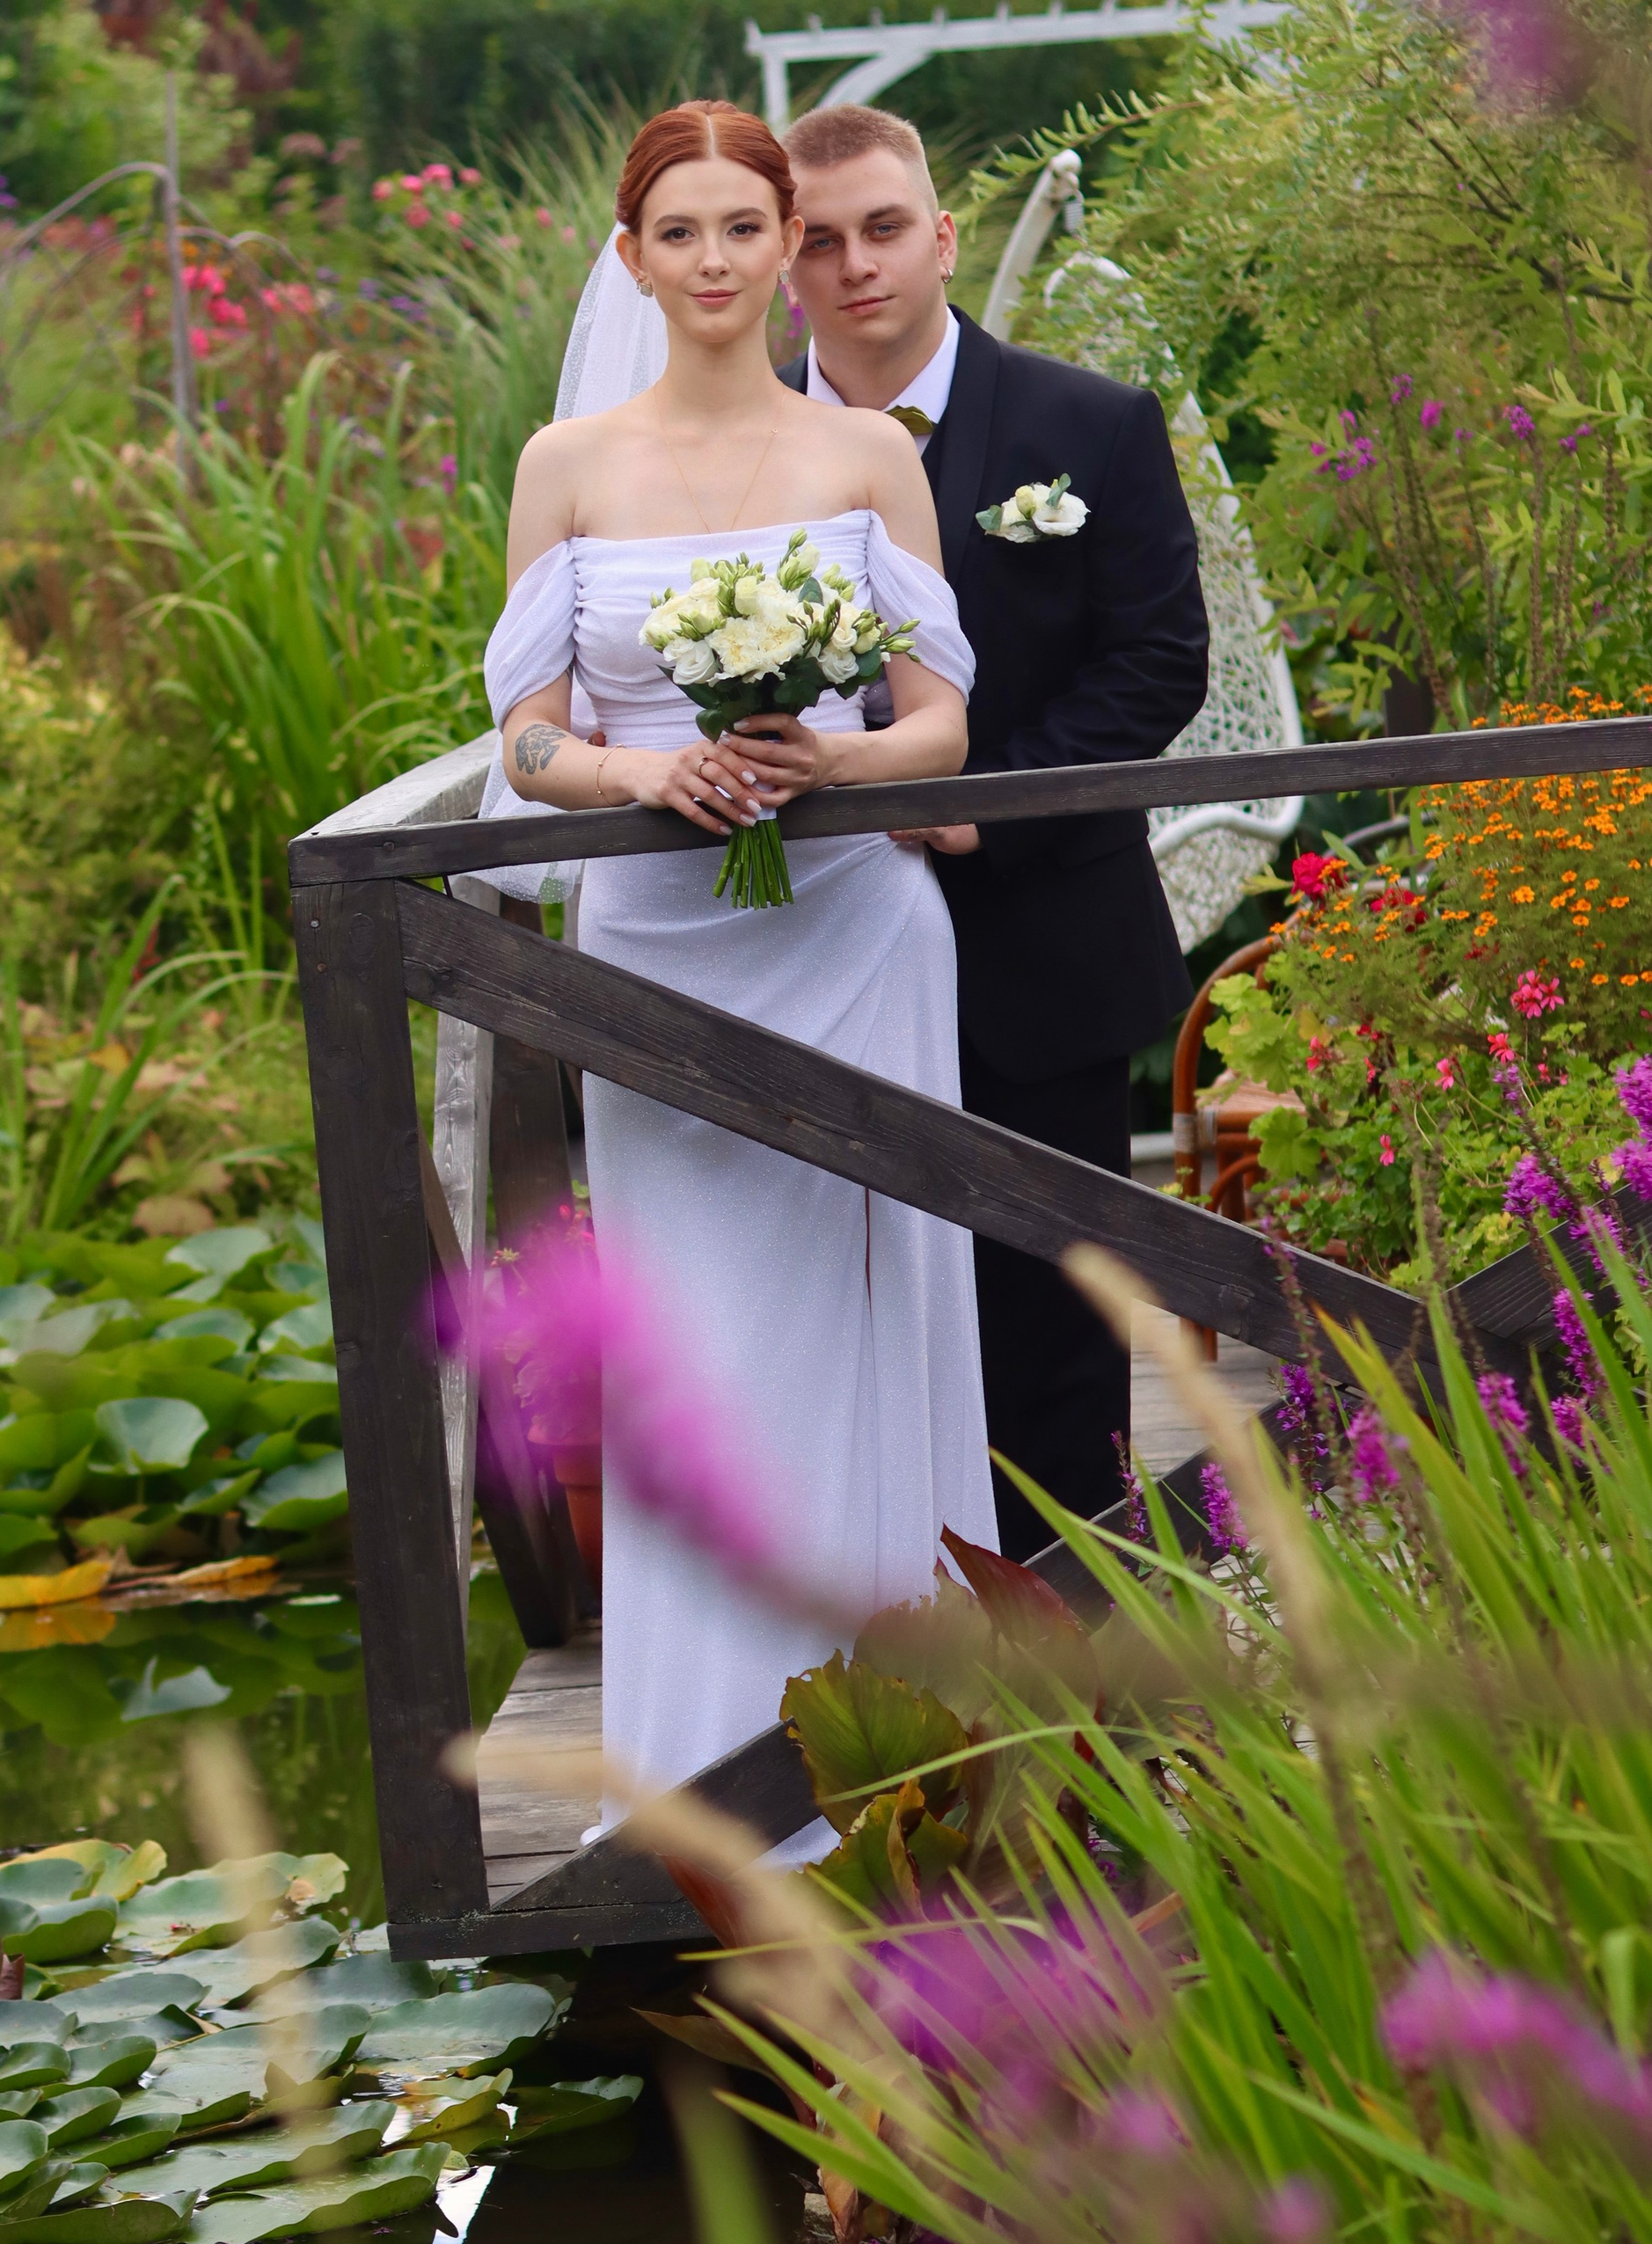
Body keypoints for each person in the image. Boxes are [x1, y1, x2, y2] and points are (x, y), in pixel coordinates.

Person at [476, 98, 998, 1843]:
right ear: (630, 257)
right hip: (654, 959)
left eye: (743, 228)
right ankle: (708, 1779)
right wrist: (644, 772)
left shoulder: (863, 458)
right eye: (678, 232)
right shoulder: (566, 465)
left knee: (867, 1314)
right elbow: (526, 742)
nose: (713, 261)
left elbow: (938, 726)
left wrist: (825, 760)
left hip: (853, 934)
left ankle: (901, 1763)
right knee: (698, 1347)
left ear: (788, 249)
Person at [778, 102, 1210, 1559]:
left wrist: (990, 805)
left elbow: (1159, 660)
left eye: (884, 228)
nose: (856, 265)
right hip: (800, 960)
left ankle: (1084, 1665)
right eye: (820, 240)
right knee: (836, 1329)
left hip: (1037, 951)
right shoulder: (736, 452)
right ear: (785, 263)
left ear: (943, 236)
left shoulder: (1089, 425)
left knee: (1055, 1339)